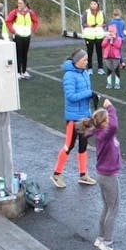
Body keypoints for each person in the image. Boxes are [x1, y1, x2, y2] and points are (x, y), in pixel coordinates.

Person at [79, 99, 122, 250]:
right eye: (107, 119)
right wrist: (110, 107)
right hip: (109, 176)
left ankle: (100, 238)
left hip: (103, 175)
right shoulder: (105, 134)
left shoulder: (99, 132)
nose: (110, 120)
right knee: (113, 208)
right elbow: (114, 125)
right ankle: (108, 242)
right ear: (103, 123)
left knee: (107, 207)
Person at [51, 49, 97, 189]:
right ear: (77, 61)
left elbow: (83, 93)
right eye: (84, 60)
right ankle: (56, 174)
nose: (87, 62)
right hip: (73, 118)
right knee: (69, 145)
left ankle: (83, 175)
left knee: (83, 145)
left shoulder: (84, 73)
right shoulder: (69, 76)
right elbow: (71, 96)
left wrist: (92, 97)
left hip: (84, 116)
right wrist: (89, 93)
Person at [5, 0, 39, 79]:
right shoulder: (15, 12)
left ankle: (24, 71)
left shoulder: (30, 12)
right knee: (18, 54)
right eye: (18, 3)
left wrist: (32, 30)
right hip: (18, 35)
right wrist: (13, 31)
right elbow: (8, 21)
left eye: (20, 3)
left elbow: (35, 21)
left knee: (25, 54)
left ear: (25, 4)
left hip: (27, 35)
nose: (19, 4)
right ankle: (17, 72)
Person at [81, 0, 106, 72]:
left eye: (94, 4)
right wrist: (88, 25)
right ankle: (89, 68)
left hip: (99, 35)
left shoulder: (101, 13)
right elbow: (83, 23)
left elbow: (105, 23)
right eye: (91, 4)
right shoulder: (86, 12)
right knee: (89, 52)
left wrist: (102, 25)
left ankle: (100, 68)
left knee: (99, 52)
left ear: (97, 5)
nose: (93, 5)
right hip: (89, 36)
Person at [101, 24, 123, 90]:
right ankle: (109, 83)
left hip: (116, 57)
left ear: (115, 32)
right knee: (109, 70)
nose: (111, 33)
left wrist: (114, 40)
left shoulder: (118, 38)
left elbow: (118, 46)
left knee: (117, 70)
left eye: (112, 31)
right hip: (107, 57)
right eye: (110, 31)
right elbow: (103, 45)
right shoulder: (106, 38)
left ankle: (117, 83)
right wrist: (108, 40)